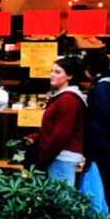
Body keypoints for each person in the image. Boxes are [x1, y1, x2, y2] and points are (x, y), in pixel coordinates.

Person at [24, 57, 87, 187]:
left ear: (69, 76)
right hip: (62, 154)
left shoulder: (67, 100)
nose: (52, 75)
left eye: (58, 72)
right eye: (52, 71)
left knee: (61, 198)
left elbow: (62, 133)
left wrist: (43, 155)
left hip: (62, 156)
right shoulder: (65, 97)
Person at [82, 50, 110, 215]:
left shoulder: (101, 90)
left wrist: (90, 154)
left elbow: (100, 125)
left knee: (107, 194)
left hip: (107, 154)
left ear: (88, 70)